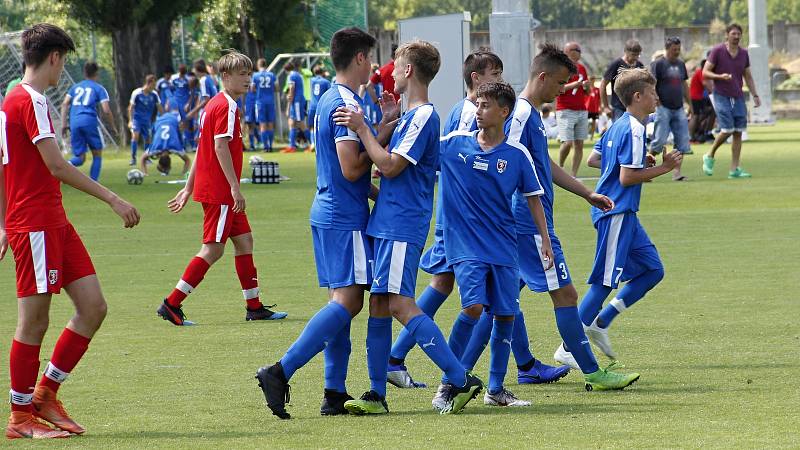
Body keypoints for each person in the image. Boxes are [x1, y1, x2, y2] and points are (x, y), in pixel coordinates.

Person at [460, 44, 641, 393]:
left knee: (500, 302)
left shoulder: (531, 116)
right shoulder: (523, 114)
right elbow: (502, 156)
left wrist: (585, 191)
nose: (562, 90)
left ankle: (457, 374)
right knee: (566, 295)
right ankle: (593, 372)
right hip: (526, 223)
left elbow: (543, 164)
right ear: (542, 77)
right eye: (559, 83)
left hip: (520, 222)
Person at [330, 40, 485, 416]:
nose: (391, 72)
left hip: (402, 225)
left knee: (399, 303)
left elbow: (390, 166)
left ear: (409, 71)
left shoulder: (424, 117)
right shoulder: (408, 116)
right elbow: (390, 167)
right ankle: (376, 393)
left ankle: (459, 377)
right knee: (379, 305)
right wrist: (386, 123)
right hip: (388, 222)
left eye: (396, 66)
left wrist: (365, 130)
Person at [2, 23, 140, 440]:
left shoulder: (10, 98)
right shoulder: (31, 100)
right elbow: (56, 166)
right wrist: (113, 199)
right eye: (64, 62)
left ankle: (45, 394)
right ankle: (20, 416)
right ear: (56, 57)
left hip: (53, 221)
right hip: (36, 223)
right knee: (33, 322)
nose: (63, 72)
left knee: (93, 306)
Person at [255, 27, 389, 420]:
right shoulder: (346, 103)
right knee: (349, 302)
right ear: (361, 58)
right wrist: (381, 131)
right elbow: (350, 168)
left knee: (340, 304)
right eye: (371, 57)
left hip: (330, 210)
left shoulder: (331, 97)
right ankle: (280, 371)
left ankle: (334, 393)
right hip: (342, 216)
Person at [385, 50, 505, 390]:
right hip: (463, 217)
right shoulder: (469, 114)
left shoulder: (457, 109)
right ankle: (480, 379)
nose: (499, 80)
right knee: (493, 298)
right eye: (494, 74)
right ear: (477, 78)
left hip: (456, 213)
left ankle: (395, 358)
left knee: (443, 284)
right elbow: (461, 162)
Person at [437, 80, 554, 408]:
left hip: (504, 245)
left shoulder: (517, 155)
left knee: (506, 314)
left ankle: (495, 390)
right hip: (466, 246)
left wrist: (544, 239)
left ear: (504, 112)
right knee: (473, 307)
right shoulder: (454, 144)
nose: (478, 111)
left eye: (485, 106)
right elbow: (412, 156)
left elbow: (533, 198)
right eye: (477, 105)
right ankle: (449, 382)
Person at [155, 51, 287, 326]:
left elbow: (203, 151)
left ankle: (254, 307)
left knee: (245, 241)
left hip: (219, 189)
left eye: (249, 73)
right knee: (213, 250)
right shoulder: (226, 106)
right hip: (221, 192)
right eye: (242, 74)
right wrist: (235, 189)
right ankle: (171, 303)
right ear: (225, 77)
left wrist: (187, 188)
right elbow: (217, 147)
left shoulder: (214, 104)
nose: (247, 79)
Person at [580, 68, 682, 364]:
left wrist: (638, 162)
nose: (656, 97)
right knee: (604, 281)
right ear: (638, 96)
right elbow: (626, 178)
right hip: (616, 211)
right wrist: (663, 167)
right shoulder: (636, 128)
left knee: (653, 270)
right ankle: (569, 344)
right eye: (652, 92)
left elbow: (595, 158)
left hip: (624, 213)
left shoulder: (618, 124)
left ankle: (601, 323)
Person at [702, 23, 761, 179]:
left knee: (738, 132)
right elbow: (705, 72)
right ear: (727, 35)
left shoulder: (743, 54)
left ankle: (734, 169)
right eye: (733, 33)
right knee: (727, 129)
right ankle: (709, 155)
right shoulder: (717, 51)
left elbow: (747, 75)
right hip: (721, 95)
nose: (736, 36)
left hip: (738, 96)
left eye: (738, 34)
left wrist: (755, 95)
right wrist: (719, 77)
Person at [60, 61, 116, 182]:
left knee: (80, 158)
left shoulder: (75, 87)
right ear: (97, 73)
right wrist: (113, 126)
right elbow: (106, 110)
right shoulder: (99, 88)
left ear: (84, 73)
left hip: (74, 122)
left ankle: (62, 166)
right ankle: (94, 182)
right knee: (97, 154)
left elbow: (64, 104)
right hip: (88, 121)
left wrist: (64, 124)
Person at [649, 36, 692, 181]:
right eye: (674, 49)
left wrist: (690, 104)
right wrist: (657, 101)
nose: (677, 52)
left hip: (678, 107)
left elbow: (684, 85)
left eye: (679, 49)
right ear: (667, 49)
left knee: (682, 141)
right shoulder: (658, 64)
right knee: (659, 140)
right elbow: (651, 84)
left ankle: (677, 173)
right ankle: (646, 170)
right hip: (663, 108)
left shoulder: (681, 64)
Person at [556, 42, 591, 178]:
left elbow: (587, 93)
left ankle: (574, 175)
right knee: (567, 142)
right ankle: (560, 168)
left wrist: (587, 86)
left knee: (579, 144)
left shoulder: (582, 68)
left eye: (580, 50)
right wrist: (575, 84)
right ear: (568, 51)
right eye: (576, 49)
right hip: (565, 109)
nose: (579, 52)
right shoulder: (561, 68)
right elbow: (559, 88)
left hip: (581, 109)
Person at [140, 100, 190, 176]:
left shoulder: (155, 149)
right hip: (171, 120)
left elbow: (142, 158)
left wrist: (145, 173)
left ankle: (158, 171)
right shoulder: (176, 147)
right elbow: (187, 160)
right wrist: (183, 174)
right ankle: (165, 170)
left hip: (160, 121)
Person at [602, 39, 644, 121]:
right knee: (620, 132)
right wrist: (606, 107)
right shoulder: (616, 64)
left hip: (636, 107)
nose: (635, 58)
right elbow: (603, 85)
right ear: (626, 52)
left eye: (637, 55)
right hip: (619, 108)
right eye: (633, 55)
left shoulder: (639, 65)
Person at [127, 75, 162, 166]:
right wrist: (130, 121)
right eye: (153, 84)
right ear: (149, 83)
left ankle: (146, 159)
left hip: (147, 121)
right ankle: (133, 158)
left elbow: (159, 108)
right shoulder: (137, 93)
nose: (154, 87)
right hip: (137, 120)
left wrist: (163, 119)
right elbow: (131, 108)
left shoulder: (154, 94)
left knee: (148, 139)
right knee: (135, 136)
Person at [251, 58, 278, 152]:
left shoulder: (255, 75)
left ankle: (265, 147)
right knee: (270, 124)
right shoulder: (271, 75)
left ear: (258, 65)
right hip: (270, 101)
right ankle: (270, 146)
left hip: (260, 102)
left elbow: (252, 88)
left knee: (262, 125)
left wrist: (259, 91)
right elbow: (277, 88)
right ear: (266, 65)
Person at [284, 61, 309, 153]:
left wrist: (288, 103)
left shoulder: (292, 75)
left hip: (297, 102)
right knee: (292, 122)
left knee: (300, 123)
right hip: (297, 101)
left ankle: (312, 144)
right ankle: (292, 146)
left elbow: (292, 89)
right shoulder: (297, 75)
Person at [688, 59, 716, 143]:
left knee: (707, 112)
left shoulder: (701, 72)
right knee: (696, 116)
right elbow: (705, 83)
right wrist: (713, 92)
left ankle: (701, 132)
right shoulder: (701, 72)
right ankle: (691, 136)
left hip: (699, 97)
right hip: (695, 97)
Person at [186, 58, 217, 123]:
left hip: (207, 114)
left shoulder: (203, 80)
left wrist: (192, 112)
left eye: (194, 68)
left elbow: (206, 100)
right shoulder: (209, 78)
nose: (193, 71)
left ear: (197, 68)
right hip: (214, 112)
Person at [170, 64, 193, 149]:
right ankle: (177, 143)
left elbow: (191, 93)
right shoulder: (174, 78)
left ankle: (186, 143)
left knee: (185, 122)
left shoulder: (188, 80)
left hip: (184, 103)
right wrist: (171, 101)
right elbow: (171, 90)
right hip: (176, 103)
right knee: (176, 122)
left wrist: (188, 103)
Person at [308, 65, 331, 149]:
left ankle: (312, 143)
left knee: (311, 126)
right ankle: (320, 144)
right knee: (321, 125)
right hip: (321, 107)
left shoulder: (311, 80)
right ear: (322, 72)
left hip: (312, 106)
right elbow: (329, 93)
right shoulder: (326, 82)